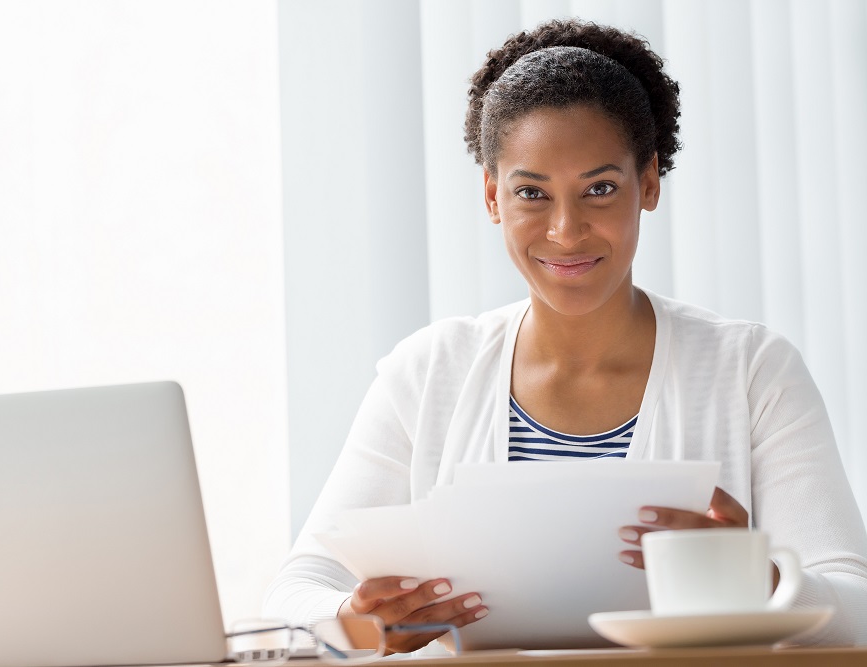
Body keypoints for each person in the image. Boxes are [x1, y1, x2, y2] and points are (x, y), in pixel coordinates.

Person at [263, 18, 867, 650]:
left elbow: (852, 608)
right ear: (494, 196)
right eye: (532, 193)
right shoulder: (429, 373)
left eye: (600, 189)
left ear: (650, 183)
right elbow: (296, 593)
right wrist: (359, 622)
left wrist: (759, 577)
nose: (566, 230)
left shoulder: (751, 370)